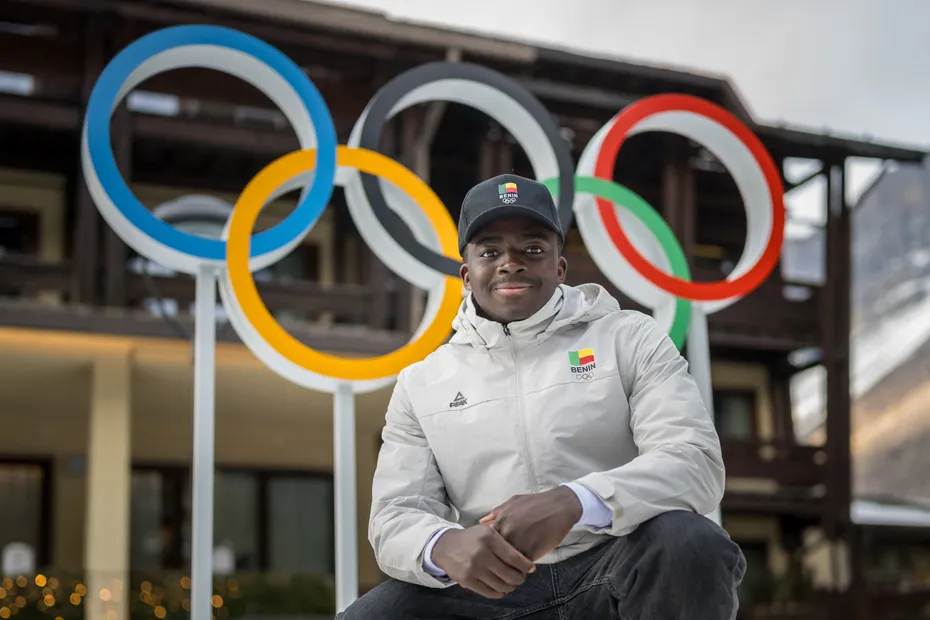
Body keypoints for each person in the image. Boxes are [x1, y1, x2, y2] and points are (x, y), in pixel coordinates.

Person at [338, 174, 746, 619]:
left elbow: (694, 461)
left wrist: (575, 501)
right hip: (494, 587)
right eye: (489, 252)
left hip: (615, 563)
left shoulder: (629, 337)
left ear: (559, 268)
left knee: (690, 543)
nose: (510, 264)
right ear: (466, 275)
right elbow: (395, 516)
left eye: (532, 249)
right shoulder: (423, 381)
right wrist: (444, 545)